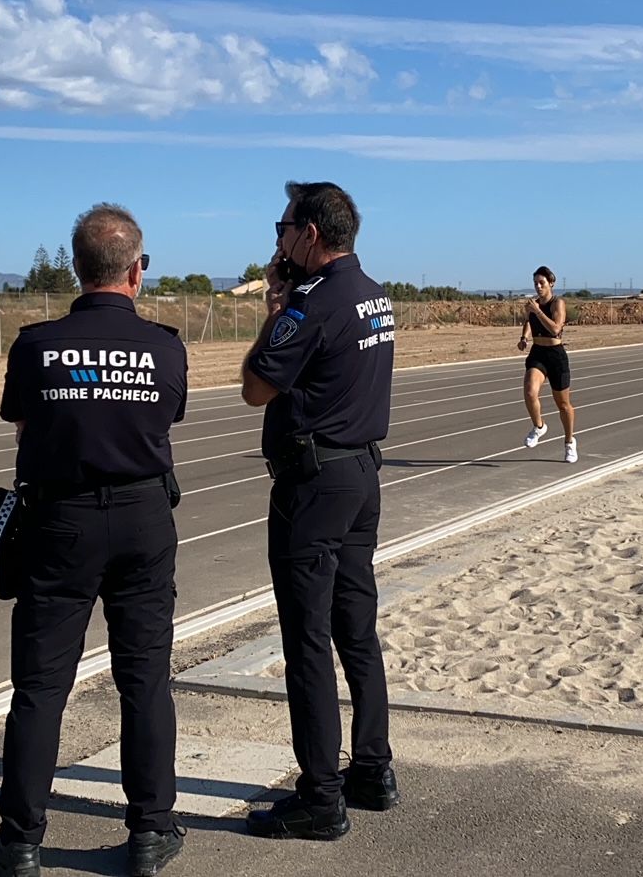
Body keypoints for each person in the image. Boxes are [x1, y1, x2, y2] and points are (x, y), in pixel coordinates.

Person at [0, 204, 189, 877]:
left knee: (41, 689)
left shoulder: (37, 344)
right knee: (144, 680)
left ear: (77, 268)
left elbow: (22, 423)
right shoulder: (165, 346)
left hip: (60, 523)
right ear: (137, 271)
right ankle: (151, 834)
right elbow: (165, 421)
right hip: (142, 519)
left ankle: (20, 844)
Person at [239, 181, 400, 841]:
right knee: (356, 627)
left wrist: (276, 307)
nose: (275, 240)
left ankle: (320, 795)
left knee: (307, 638)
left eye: (281, 228)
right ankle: (372, 768)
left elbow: (255, 387)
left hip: (314, 483)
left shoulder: (314, 302)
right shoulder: (373, 294)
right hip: (362, 473)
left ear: (310, 234)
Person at [516, 267, 577, 463]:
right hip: (538, 354)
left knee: (563, 405)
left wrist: (537, 310)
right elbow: (528, 321)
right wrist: (524, 337)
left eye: (541, 283)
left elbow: (555, 328)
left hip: (555, 355)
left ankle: (569, 442)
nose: (538, 286)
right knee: (530, 392)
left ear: (551, 283)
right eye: (535, 283)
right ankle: (539, 426)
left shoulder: (557, 303)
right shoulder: (533, 305)